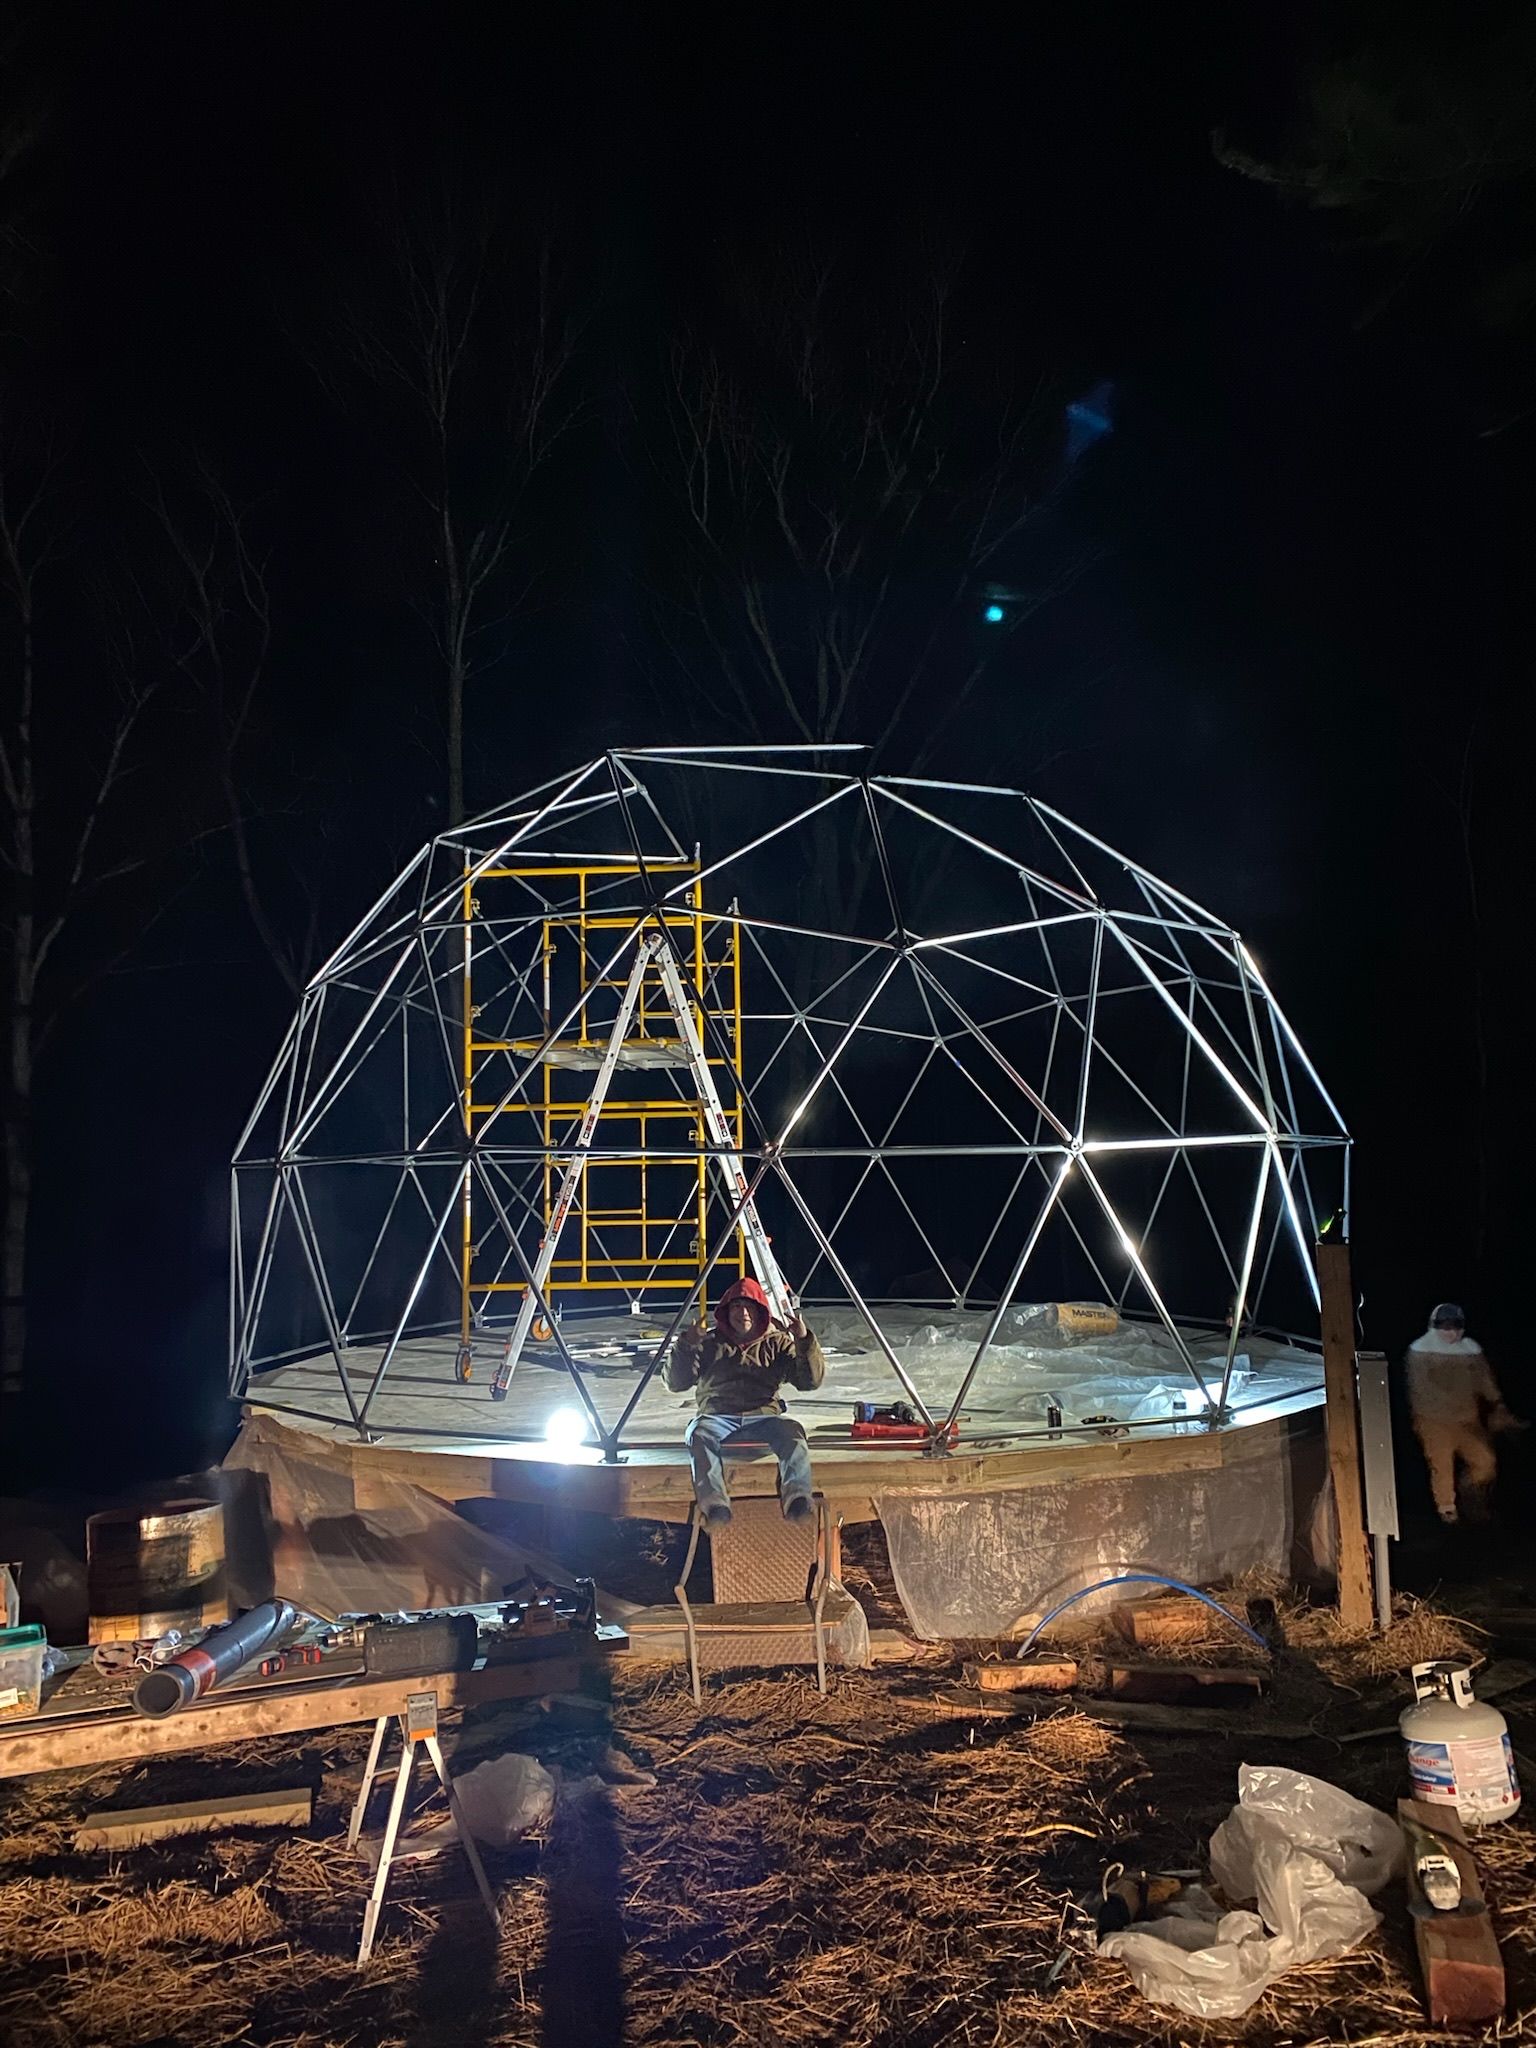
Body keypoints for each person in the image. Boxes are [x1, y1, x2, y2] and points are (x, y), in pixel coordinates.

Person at [665, 1276, 825, 1527]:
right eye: (737, 1306)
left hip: (763, 1415)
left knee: (793, 1432)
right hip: (718, 1415)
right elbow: (676, 1383)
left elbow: (809, 1382)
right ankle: (715, 1505)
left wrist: (804, 1342)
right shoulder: (710, 1342)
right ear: (726, 1312)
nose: (743, 1313)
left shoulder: (777, 1342)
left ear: (761, 1311)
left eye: (749, 1306)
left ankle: (798, 1499)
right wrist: (686, 1345)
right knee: (698, 1433)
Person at [1405, 1302, 1526, 1524]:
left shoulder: (1470, 1349)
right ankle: (1447, 1508)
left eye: (1456, 1326)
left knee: (1485, 1461)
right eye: (1445, 1326)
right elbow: (1420, 1388)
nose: (1451, 1332)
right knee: (1441, 1463)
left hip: (1467, 1420)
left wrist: (1497, 1403)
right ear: (1435, 1326)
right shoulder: (1420, 1351)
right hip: (1433, 1420)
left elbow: (1484, 1379)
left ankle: (1471, 1494)